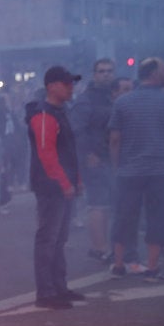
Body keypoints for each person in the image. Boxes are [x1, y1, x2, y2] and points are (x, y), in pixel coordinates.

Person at [108, 57, 164, 281]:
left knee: (124, 216)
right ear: (154, 74)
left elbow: (115, 139)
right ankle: (152, 268)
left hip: (128, 171)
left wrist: (117, 167)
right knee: (158, 218)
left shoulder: (122, 102)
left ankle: (118, 265)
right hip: (161, 171)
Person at [26, 66, 85, 310]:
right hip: (51, 186)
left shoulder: (57, 112)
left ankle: (58, 287)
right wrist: (65, 183)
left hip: (60, 184)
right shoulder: (44, 114)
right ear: (52, 86)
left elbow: (68, 152)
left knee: (58, 239)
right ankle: (47, 292)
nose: (71, 87)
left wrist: (75, 180)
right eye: (66, 83)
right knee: (49, 239)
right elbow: (46, 154)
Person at [70, 58, 116, 264]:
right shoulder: (86, 99)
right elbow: (77, 130)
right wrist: (89, 154)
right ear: (94, 74)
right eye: (102, 71)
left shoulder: (113, 96)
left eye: (109, 71)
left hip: (112, 157)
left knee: (108, 203)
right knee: (98, 203)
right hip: (95, 158)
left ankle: (105, 245)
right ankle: (99, 247)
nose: (106, 74)